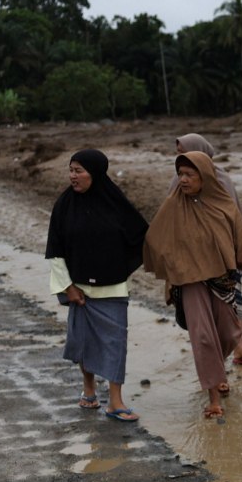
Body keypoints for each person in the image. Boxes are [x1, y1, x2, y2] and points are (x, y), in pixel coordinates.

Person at [143, 151, 242, 419]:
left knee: (231, 333)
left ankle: (214, 370)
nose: (183, 180)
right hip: (190, 282)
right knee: (203, 336)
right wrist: (176, 266)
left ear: (205, 175)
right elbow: (155, 240)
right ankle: (213, 396)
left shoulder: (224, 204)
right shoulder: (173, 205)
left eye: (189, 174)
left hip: (221, 280)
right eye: (180, 175)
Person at [45, 149, 148, 422]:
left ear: (96, 173)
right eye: (71, 170)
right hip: (78, 289)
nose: (73, 176)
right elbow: (54, 250)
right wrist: (68, 287)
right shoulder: (64, 205)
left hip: (112, 289)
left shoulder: (115, 203)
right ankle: (89, 389)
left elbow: (141, 235)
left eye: (79, 171)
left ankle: (115, 401)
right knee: (83, 342)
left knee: (116, 343)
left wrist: (120, 268)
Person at [174, 133, 242, 368]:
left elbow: (236, 218)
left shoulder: (222, 179)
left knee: (232, 310)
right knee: (204, 318)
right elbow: (172, 222)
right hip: (194, 263)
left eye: (185, 151)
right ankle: (216, 371)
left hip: (226, 258)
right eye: (179, 154)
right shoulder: (179, 182)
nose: (182, 158)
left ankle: (237, 349)